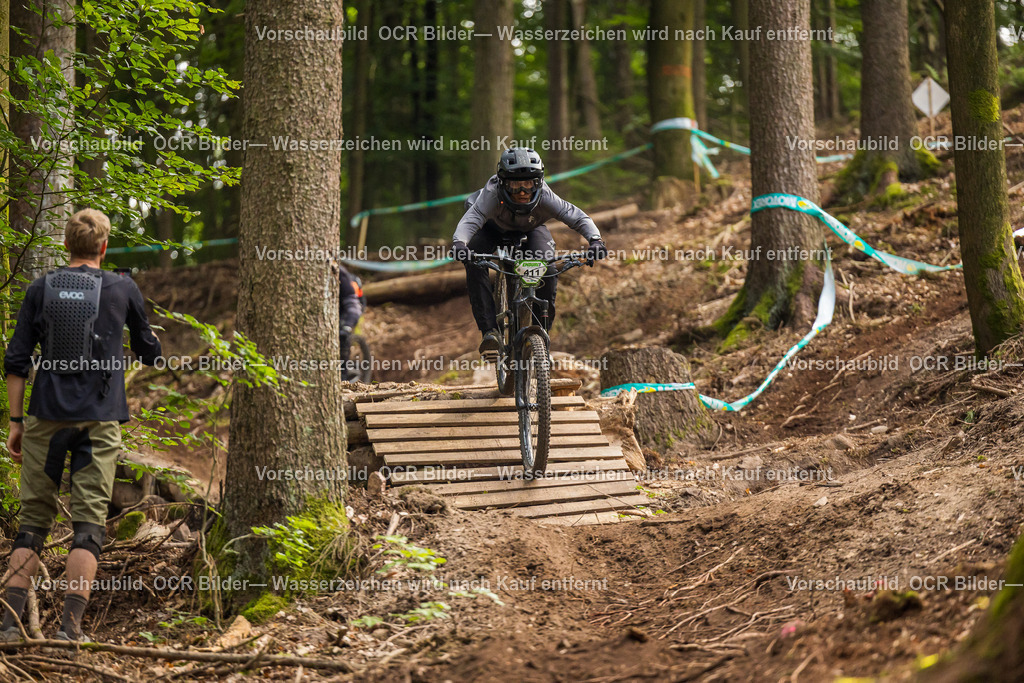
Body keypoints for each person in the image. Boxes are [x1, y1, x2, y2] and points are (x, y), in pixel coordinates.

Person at [1, 209, 162, 643]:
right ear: (104, 247)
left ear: (67, 246)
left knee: (33, 524)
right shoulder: (123, 287)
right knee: (89, 526)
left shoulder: (40, 288)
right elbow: (150, 353)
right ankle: (70, 630)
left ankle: (9, 628)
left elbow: (16, 362)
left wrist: (16, 423)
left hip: (45, 418)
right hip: (100, 420)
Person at [451, 147, 608, 359]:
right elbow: (472, 219)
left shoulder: (545, 196)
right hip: (490, 229)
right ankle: (489, 332)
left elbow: (576, 216)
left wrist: (595, 241)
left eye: (529, 184)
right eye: (516, 185)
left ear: (539, 182)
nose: (523, 191)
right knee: (474, 261)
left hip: (531, 229)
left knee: (547, 268)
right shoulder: (491, 195)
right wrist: (460, 244)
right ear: (503, 182)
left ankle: (541, 335)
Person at [337, 262, 366, 381]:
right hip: (338, 311)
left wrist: (347, 327)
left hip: (351, 310)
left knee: (343, 339)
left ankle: (342, 379)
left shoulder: (341, 275)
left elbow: (354, 307)